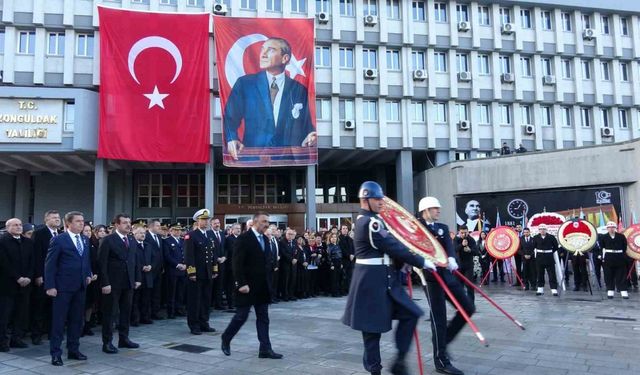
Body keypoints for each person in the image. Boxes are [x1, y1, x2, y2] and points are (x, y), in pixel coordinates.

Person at [343, 182, 435, 375]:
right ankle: (374, 369)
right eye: (377, 199)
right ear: (365, 200)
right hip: (370, 283)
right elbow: (392, 246)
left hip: (385, 279)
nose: (381, 203)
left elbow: (392, 247)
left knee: (411, 313)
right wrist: (421, 261)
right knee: (371, 330)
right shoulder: (369, 222)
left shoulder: (374, 220)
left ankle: (399, 362)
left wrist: (405, 264)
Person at [224, 37, 316, 161]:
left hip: (286, 161)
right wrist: (232, 138)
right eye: (263, 49)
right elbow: (230, 117)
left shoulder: (298, 89)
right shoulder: (245, 84)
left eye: (271, 50)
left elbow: (306, 125)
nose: (263, 54)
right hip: (252, 158)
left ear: (285, 58)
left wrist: (310, 135)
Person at [417, 196, 473, 375]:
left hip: (447, 275)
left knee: (468, 307)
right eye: (435, 208)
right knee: (438, 318)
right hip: (430, 277)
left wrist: (451, 258)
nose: (438, 211)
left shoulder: (442, 227)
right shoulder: (417, 228)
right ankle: (441, 360)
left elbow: (448, 244)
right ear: (425, 210)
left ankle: (445, 339)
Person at [221, 212, 283, 359]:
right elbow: (236, 263)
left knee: (263, 317)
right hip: (247, 287)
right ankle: (226, 338)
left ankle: (265, 349)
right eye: (264, 221)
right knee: (241, 317)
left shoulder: (266, 239)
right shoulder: (244, 238)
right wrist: (241, 283)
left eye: (268, 222)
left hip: (262, 287)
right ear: (255, 222)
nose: (267, 224)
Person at [45, 211, 93, 366]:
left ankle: (73, 349)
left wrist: (87, 274)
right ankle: (56, 353)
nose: (82, 223)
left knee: (76, 320)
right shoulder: (59, 240)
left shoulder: (85, 240)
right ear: (68, 224)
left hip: (80, 287)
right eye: (78, 221)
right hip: (62, 288)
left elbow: (85, 260)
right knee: (59, 321)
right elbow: (50, 264)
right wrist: (50, 286)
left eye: (82, 221)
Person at [98, 213, 141, 354]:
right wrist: (105, 283)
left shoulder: (131, 240)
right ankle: (107, 342)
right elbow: (102, 264)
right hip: (112, 283)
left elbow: (135, 261)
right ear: (117, 225)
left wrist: (137, 278)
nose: (128, 225)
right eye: (124, 223)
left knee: (126, 312)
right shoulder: (108, 240)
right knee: (110, 313)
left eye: (129, 222)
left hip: (128, 282)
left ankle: (124, 338)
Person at [0, 218, 34, 352]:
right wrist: (18, 277)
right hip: (7, 285)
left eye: (20, 225)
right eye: (15, 225)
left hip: (26, 284)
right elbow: (4, 263)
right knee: (4, 315)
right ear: (8, 227)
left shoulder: (28, 242)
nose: (19, 227)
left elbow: (33, 261)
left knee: (21, 313)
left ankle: (16, 339)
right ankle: (2, 342)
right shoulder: (2, 242)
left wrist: (29, 277)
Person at [184, 209, 218, 335]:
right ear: (197, 221)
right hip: (197, 274)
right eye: (203, 219)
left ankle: (204, 322)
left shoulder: (209, 235)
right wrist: (191, 273)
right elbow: (189, 256)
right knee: (195, 300)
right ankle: (194, 324)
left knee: (206, 299)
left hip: (208, 273)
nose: (206, 222)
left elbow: (213, 254)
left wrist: (214, 268)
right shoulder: (191, 235)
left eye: (207, 219)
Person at [30, 210, 61, 345]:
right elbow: (36, 256)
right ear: (46, 220)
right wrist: (38, 275)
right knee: (40, 306)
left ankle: (50, 332)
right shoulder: (39, 233)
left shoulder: (61, 234)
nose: (57, 220)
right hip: (43, 276)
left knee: (53, 306)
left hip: (58, 277)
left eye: (58, 217)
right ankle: (36, 335)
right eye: (54, 218)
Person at [83, 224, 104, 336]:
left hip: (93, 279)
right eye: (85, 231)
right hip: (82, 278)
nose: (88, 233)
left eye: (89, 231)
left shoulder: (93, 245)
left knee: (90, 303)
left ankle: (87, 324)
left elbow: (96, 261)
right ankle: (80, 325)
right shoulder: (80, 244)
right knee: (82, 303)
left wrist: (95, 273)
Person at [598, 221, 629, 299]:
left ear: (615, 228)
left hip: (619, 257)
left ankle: (623, 290)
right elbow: (601, 247)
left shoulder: (621, 236)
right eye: (609, 227)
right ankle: (610, 290)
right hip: (609, 257)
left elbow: (624, 247)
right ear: (607, 228)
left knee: (621, 274)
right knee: (608, 274)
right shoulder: (603, 237)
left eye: (613, 227)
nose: (611, 229)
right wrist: (601, 256)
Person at [163, 223, 187, 319]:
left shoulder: (183, 241)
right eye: (175, 230)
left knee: (180, 292)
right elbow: (167, 256)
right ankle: (171, 311)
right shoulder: (167, 241)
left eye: (179, 230)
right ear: (171, 231)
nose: (178, 231)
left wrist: (185, 264)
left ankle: (179, 309)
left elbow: (185, 253)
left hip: (183, 270)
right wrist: (177, 265)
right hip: (173, 270)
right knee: (171, 292)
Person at [132, 224, 154, 326]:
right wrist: (141, 267)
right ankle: (135, 319)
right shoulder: (132, 245)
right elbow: (131, 261)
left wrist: (151, 266)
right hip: (137, 276)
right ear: (134, 233)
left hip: (148, 276)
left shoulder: (148, 245)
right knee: (135, 299)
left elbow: (154, 258)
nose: (143, 235)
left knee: (146, 298)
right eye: (140, 233)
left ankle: (145, 317)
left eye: (144, 233)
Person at [144, 220, 165, 320]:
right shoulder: (146, 237)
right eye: (157, 226)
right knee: (148, 293)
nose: (159, 227)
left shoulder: (159, 237)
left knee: (157, 292)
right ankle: (146, 314)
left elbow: (161, 253)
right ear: (151, 227)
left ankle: (155, 312)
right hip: (150, 269)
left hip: (159, 269)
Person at [532, 224, 559, 296]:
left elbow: (556, 247)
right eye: (541, 229)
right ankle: (540, 289)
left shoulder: (551, 237)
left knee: (552, 274)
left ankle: (554, 289)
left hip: (549, 257)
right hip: (539, 257)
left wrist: (549, 251)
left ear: (546, 230)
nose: (542, 230)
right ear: (539, 230)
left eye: (544, 229)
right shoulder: (535, 237)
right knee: (540, 274)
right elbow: (533, 247)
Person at [454, 225, 478, 303]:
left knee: (469, 284)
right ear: (459, 232)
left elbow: (476, 252)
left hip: (468, 265)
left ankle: (471, 302)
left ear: (468, 232)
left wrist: (470, 250)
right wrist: (462, 245)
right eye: (462, 233)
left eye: (465, 233)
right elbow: (454, 249)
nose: (463, 234)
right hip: (459, 265)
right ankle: (461, 303)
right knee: (459, 285)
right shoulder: (456, 239)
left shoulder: (471, 240)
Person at [208, 218, 227, 310]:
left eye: (218, 223)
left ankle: (218, 303)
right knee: (211, 284)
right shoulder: (208, 234)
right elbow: (208, 250)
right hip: (211, 263)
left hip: (222, 263)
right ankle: (210, 303)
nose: (217, 224)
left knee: (220, 284)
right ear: (211, 224)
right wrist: (216, 258)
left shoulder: (222, 234)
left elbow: (225, 248)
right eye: (215, 223)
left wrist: (224, 257)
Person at [224, 224, 241, 309]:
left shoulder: (240, 238)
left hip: (239, 267)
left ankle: (237, 301)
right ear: (232, 230)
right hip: (231, 266)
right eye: (237, 228)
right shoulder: (229, 239)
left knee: (238, 285)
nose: (238, 230)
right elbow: (232, 250)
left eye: (239, 228)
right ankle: (231, 303)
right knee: (231, 286)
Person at [278, 229, 296, 301]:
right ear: (285, 234)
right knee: (285, 280)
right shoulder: (282, 242)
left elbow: (296, 251)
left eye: (291, 234)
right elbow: (283, 253)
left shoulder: (294, 242)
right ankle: (285, 295)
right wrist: (291, 259)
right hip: (285, 264)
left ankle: (291, 295)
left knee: (292, 280)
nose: (290, 235)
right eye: (288, 234)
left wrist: (295, 259)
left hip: (294, 264)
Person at [339, 224, 355, 294]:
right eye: (343, 228)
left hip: (351, 260)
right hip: (343, 260)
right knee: (343, 276)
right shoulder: (339, 239)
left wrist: (353, 255)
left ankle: (349, 290)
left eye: (346, 228)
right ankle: (343, 290)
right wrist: (349, 255)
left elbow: (353, 248)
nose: (345, 229)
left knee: (350, 276)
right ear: (341, 230)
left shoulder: (351, 239)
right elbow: (342, 249)